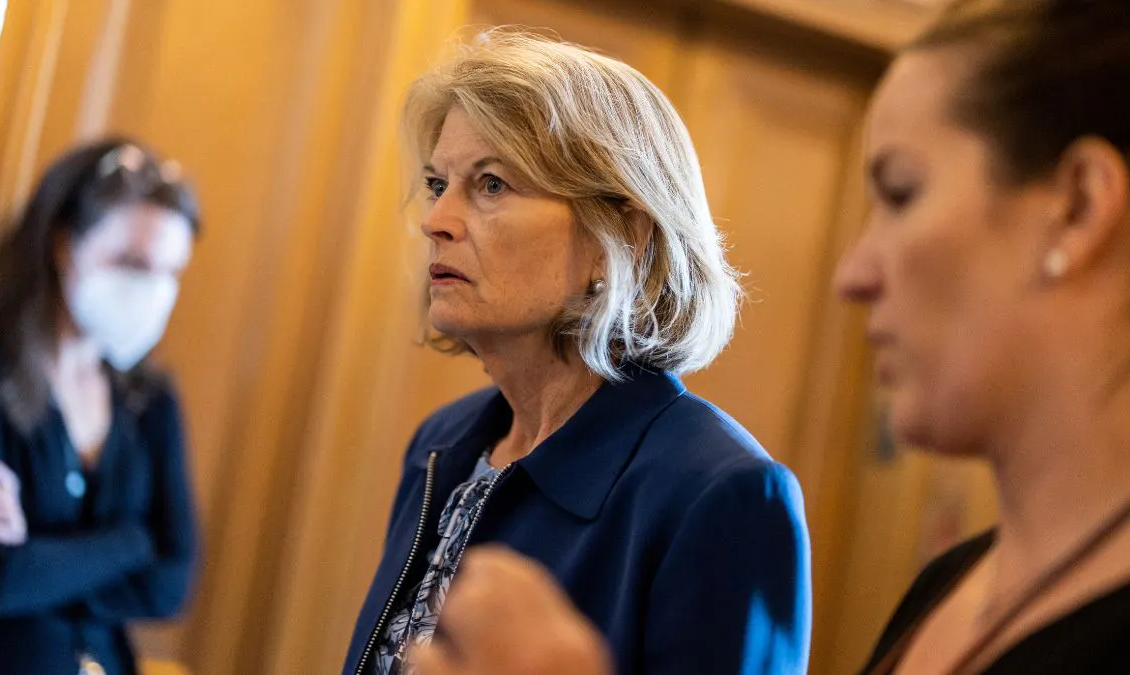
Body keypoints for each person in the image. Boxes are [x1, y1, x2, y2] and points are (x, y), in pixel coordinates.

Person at [405, 1, 1130, 674]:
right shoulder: (947, 586)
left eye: (903, 192)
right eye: (437, 185)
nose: (853, 273)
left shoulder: (721, 490)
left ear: (1078, 206)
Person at [342, 30, 812, 675]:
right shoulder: (443, 443)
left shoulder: (722, 494)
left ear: (620, 236)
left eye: (491, 184)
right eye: (437, 183)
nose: (436, 220)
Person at [0, 138, 201, 675]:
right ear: (63, 244)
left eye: (170, 272)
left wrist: (37, 558)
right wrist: (134, 539)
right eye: (131, 262)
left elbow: (171, 585)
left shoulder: (151, 400)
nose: (152, 290)